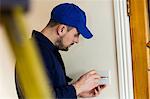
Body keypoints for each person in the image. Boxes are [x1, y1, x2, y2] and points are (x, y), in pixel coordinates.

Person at [15, 3, 106, 99]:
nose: (77, 40)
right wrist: (78, 87)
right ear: (62, 29)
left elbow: (51, 91)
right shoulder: (34, 52)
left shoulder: (48, 51)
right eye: (76, 34)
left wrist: (77, 92)